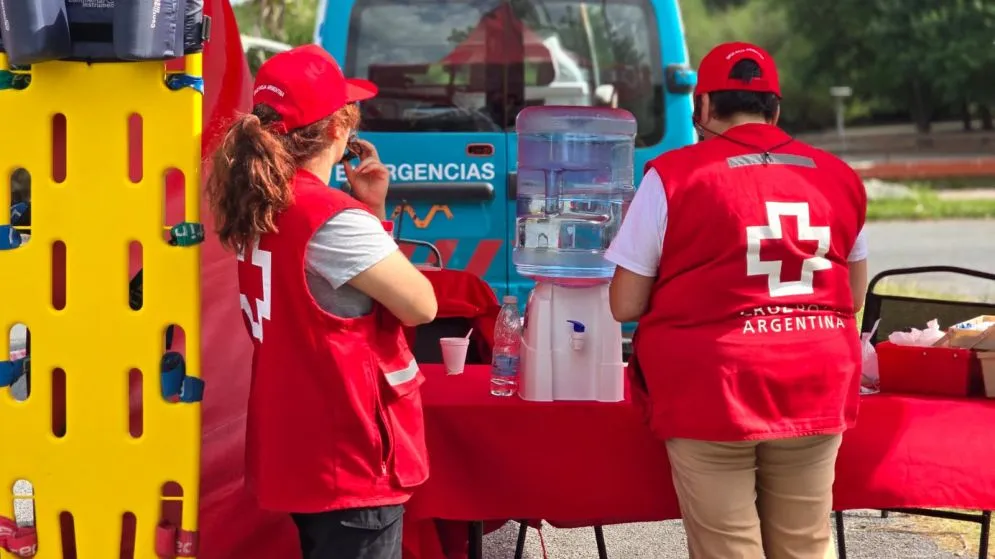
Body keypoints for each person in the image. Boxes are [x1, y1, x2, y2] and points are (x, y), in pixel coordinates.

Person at [606, 42, 868, 559]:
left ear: (701, 107)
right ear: (776, 108)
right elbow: (852, 295)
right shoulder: (840, 176)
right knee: (804, 544)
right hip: (815, 381)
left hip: (713, 390)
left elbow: (625, 304)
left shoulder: (672, 177)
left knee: (728, 547)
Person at [206, 45, 438, 559]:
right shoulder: (331, 216)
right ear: (340, 129)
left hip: (297, 442)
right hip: (348, 448)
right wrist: (369, 212)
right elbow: (422, 304)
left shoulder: (261, 203)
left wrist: (369, 207)